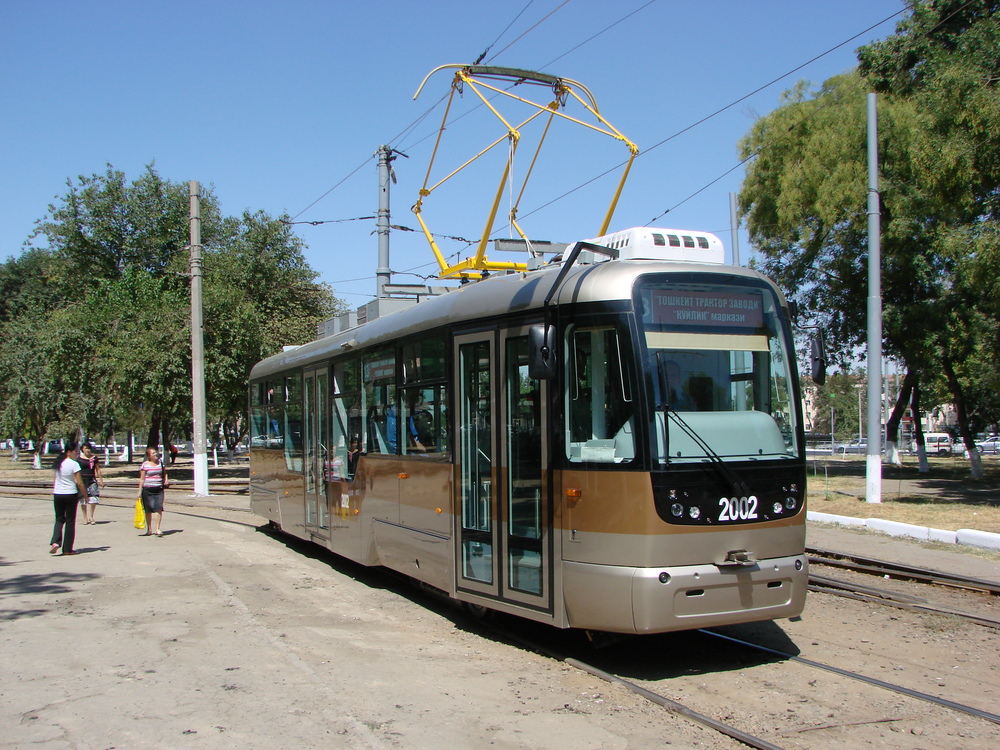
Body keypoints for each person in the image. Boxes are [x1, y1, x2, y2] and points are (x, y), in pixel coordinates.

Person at [50, 441, 86, 555]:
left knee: (59, 519)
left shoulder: (58, 463)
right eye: (76, 451)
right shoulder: (74, 464)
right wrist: (85, 495)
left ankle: (55, 542)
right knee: (70, 521)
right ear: (69, 452)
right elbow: (79, 482)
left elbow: (55, 479)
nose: (77, 453)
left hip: (58, 494)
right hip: (70, 494)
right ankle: (67, 549)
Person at [136, 447, 168, 537]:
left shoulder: (161, 463)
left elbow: (165, 473)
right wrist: (139, 491)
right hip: (147, 490)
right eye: (153, 453)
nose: (155, 454)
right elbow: (142, 479)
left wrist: (166, 480)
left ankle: (157, 528)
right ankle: (149, 529)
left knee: (158, 508)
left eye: (155, 453)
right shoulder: (145, 465)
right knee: (148, 509)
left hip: (159, 489)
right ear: (149, 456)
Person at [77, 441, 105, 525]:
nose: (87, 450)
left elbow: (98, 469)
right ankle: (85, 517)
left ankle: (91, 516)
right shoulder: (79, 459)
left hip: (92, 479)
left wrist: (101, 480)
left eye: (88, 448)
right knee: (83, 499)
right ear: (82, 449)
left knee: (94, 498)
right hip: (82, 480)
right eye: (85, 448)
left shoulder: (94, 458)